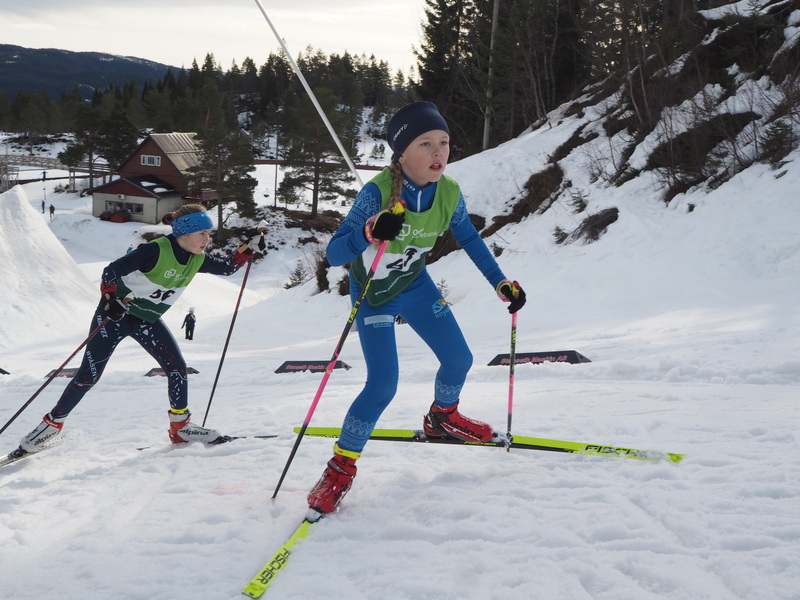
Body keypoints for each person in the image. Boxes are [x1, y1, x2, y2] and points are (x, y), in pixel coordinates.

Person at [306, 101, 527, 514]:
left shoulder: (449, 193)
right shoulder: (376, 193)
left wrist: (500, 282)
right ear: (402, 154)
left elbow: (470, 239)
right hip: (373, 292)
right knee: (383, 384)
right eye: (425, 144)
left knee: (459, 359)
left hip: (415, 285)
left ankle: (442, 417)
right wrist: (369, 232)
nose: (439, 152)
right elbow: (335, 254)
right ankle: (339, 468)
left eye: (444, 142)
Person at [17, 204, 264, 454]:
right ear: (184, 233)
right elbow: (112, 270)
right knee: (88, 375)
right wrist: (109, 298)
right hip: (116, 315)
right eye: (202, 233)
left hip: (147, 320)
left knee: (177, 368)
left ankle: (180, 427)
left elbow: (227, 268)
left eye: (209, 234)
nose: (207, 240)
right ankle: (51, 425)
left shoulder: (197, 259)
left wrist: (247, 248)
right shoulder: (155, 250)